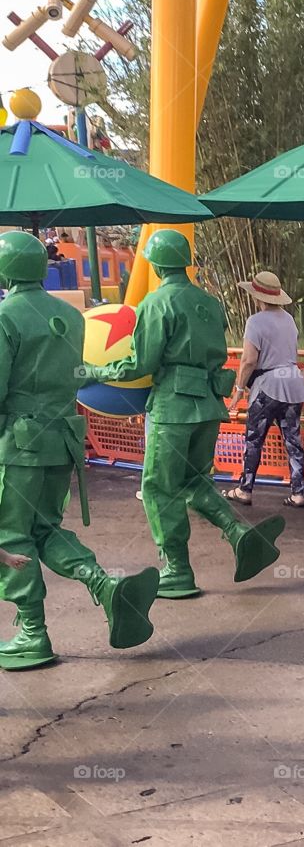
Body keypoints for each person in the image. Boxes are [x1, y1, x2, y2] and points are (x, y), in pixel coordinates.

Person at [86, 230, 285, 599]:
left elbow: (142, 363)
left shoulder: (155, 302)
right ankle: (239, 533)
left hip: (173, 407)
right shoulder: (209, 302)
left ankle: (176, 569)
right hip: (208, 405)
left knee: (159, 489)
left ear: (156, 263)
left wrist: (96, 372)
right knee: (195, 481)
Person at [0, 232, 159, 669]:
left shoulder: (4, 317)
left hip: (18, 444)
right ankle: (104, 585)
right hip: (62, 438)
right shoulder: (70, 317)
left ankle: (33, 633)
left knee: (10, 535)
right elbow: (75, 373)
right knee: (45, 530)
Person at [224, 271, 304, 510]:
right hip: (293, 381)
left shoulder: (255, 321)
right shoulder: (289, 319)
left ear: (256, 296)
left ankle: (245, 489)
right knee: (292, 439)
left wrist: (240, 389)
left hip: (268, 386)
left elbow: (249, 360)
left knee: (254, 439)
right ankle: (298, 493)